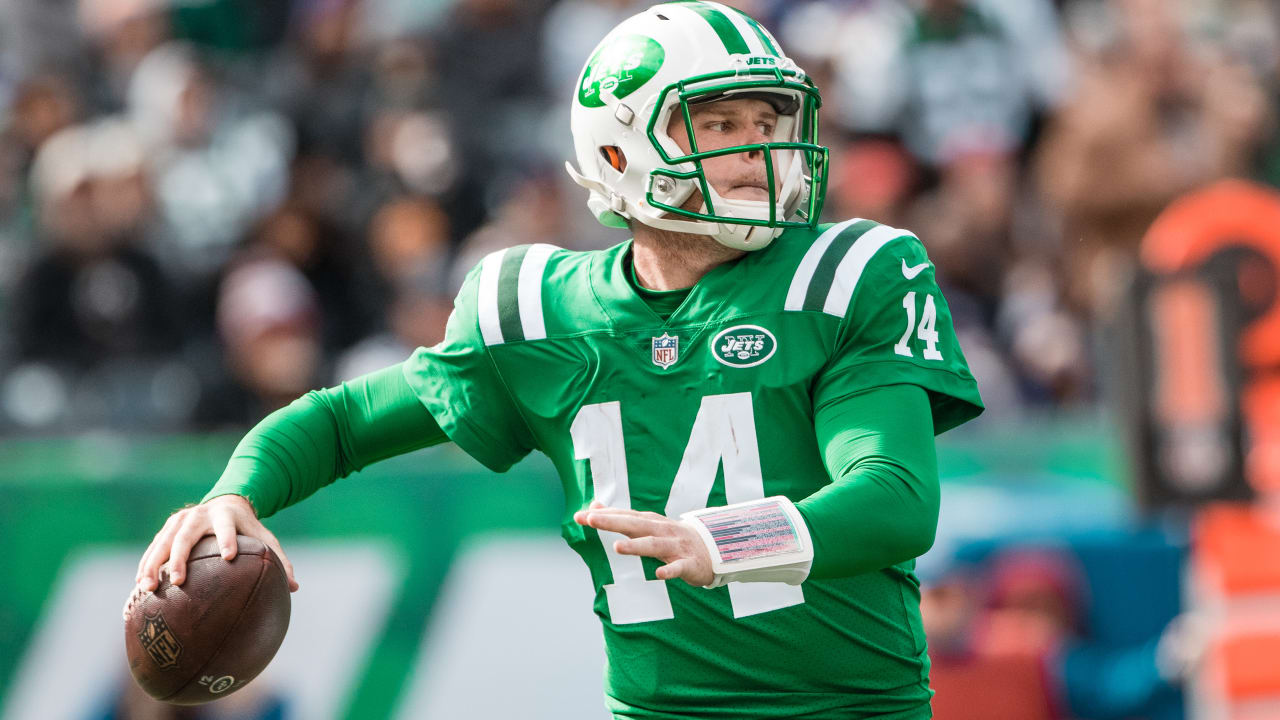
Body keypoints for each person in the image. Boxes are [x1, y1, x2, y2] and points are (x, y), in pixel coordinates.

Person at [132, 3, 983, 717]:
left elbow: (896, 499)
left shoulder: (845, 275)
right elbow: (347, 421)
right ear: (621, 149)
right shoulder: (539, 312)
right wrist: (234, 495)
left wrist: (722, 539)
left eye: (769, 122)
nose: (757, 149)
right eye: (720, 124)